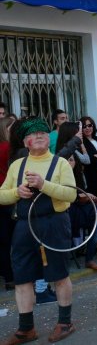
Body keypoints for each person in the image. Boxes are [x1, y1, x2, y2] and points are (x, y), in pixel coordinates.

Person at [0, 117, 78, 344]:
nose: (40, 135)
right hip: (24, 225)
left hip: (54, 223)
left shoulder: (60, 163)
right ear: (26, 141)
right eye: (33, 134)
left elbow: (71, 194)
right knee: (22, 276)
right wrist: (17, 192)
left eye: (43, 132)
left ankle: (65, 322)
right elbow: (1, 194)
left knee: (59, 274)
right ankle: (26, 329)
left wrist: (44, 185)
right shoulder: (17, 165)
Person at [0, 117, 15, 291]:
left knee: (3, 240)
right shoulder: (8, 148)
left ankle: (8, 276)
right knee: (12, 239)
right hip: (8, 195)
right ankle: (12, 276)